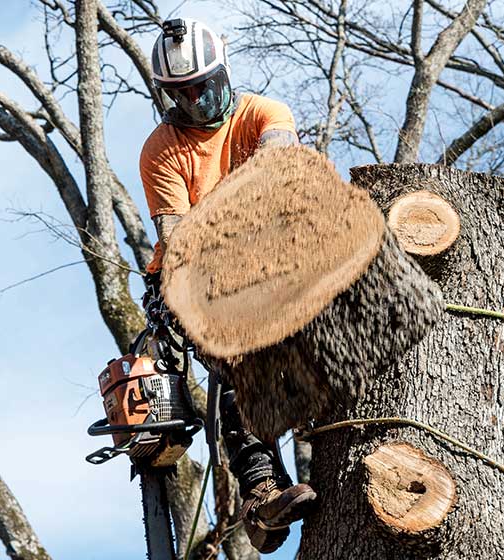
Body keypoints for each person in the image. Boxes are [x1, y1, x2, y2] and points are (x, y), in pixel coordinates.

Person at [139, 17, 317, 553]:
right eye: (181, 94)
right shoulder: (162, 150)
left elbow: (282, 168)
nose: (195, 103)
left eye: (203, 88)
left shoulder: (264, 113)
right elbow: (179, 238)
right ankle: (262, 490)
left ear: (224, 73)